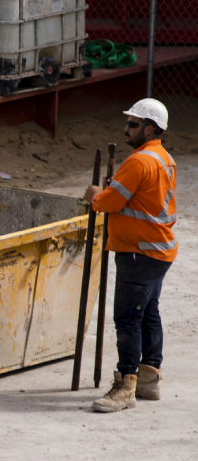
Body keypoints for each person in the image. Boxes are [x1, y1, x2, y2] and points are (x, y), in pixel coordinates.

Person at [84, 98, 178, 413]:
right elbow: (138, 196)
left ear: (150, 129)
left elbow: (110, 202)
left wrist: (96, 197)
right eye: (128, 123)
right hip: (158, 251)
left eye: (133, 124)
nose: (126, 128)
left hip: (139, 253)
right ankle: (149, 379)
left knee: (127, 318)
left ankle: (125, 385)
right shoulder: (164, 158)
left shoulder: (138, 162)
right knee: (148, 312)